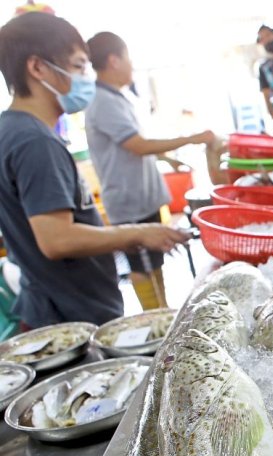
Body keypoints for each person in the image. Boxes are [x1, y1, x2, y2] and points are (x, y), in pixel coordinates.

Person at [0, 13, 189, 328]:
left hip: (53, 307)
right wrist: (136, 233)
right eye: (78, 66)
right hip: (73, 316)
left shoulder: (12, 129)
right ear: (37, 67)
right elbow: (56, 240)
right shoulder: (35, 141)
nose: (88, 77)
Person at [85, 32, 214, 310]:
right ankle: (156, 320)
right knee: (143, 265)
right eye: (129, 58)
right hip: (129, 203)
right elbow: (138, 145)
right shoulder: (102, 101)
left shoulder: (116, 96)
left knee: (154, 260)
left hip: (142, 195)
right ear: (113, 60)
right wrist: (191, 138)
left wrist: (168, 159)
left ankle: (163, 312)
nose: (132, 66)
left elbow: (133, 143)